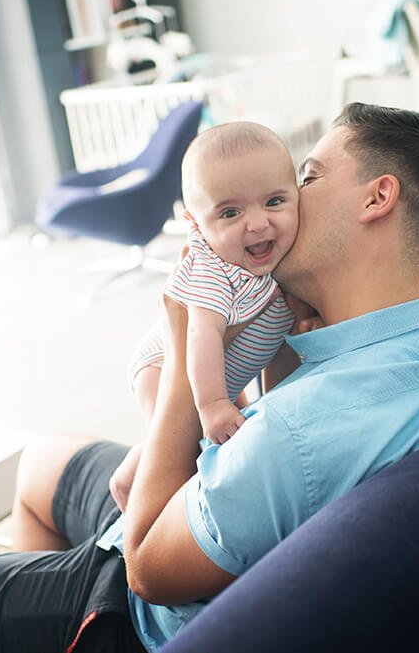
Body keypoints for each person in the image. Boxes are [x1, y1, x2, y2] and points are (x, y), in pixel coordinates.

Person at [0, 102, 419, 653]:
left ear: (377, 197)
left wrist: (189, 350)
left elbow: (148, 568)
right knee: (40, 460)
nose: (284, 202)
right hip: (213, 503)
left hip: (144, 605)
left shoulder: (297, 434)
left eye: (306, 177)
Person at [111, 122, 301, 513]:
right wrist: (214, 403)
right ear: (196, 225)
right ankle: (132, 479)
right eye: (231, 212)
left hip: (222, 373)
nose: (258, 223)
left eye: (274, 202)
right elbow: (200, 334)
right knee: (179, 446)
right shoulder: (212, 267)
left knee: (235, 430)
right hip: (164, 364)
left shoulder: (288, 249)